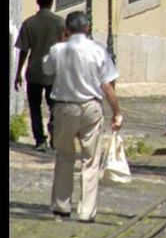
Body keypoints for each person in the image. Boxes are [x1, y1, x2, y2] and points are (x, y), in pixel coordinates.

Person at [42, 11, 123, 222]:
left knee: (64, 157)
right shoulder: (98, 51)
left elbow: (47, 69)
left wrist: (61, 42)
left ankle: (61, 206)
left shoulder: (58, 50)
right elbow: (107, 85)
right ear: (87, 28)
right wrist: (117, 112)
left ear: (66, 30)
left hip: (64, 108)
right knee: (90, 160)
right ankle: (87, 211)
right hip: (91, 108)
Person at [13, 0, 66, 150]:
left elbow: (23, 50)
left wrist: (18, 74)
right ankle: (54, 131)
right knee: (55, 106)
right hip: (54, 73)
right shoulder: (60, 23)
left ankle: (40, 140)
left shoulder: (29, 23)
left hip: (34, 72)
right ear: (52, 2)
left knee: (35, 108)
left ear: (37, 2)